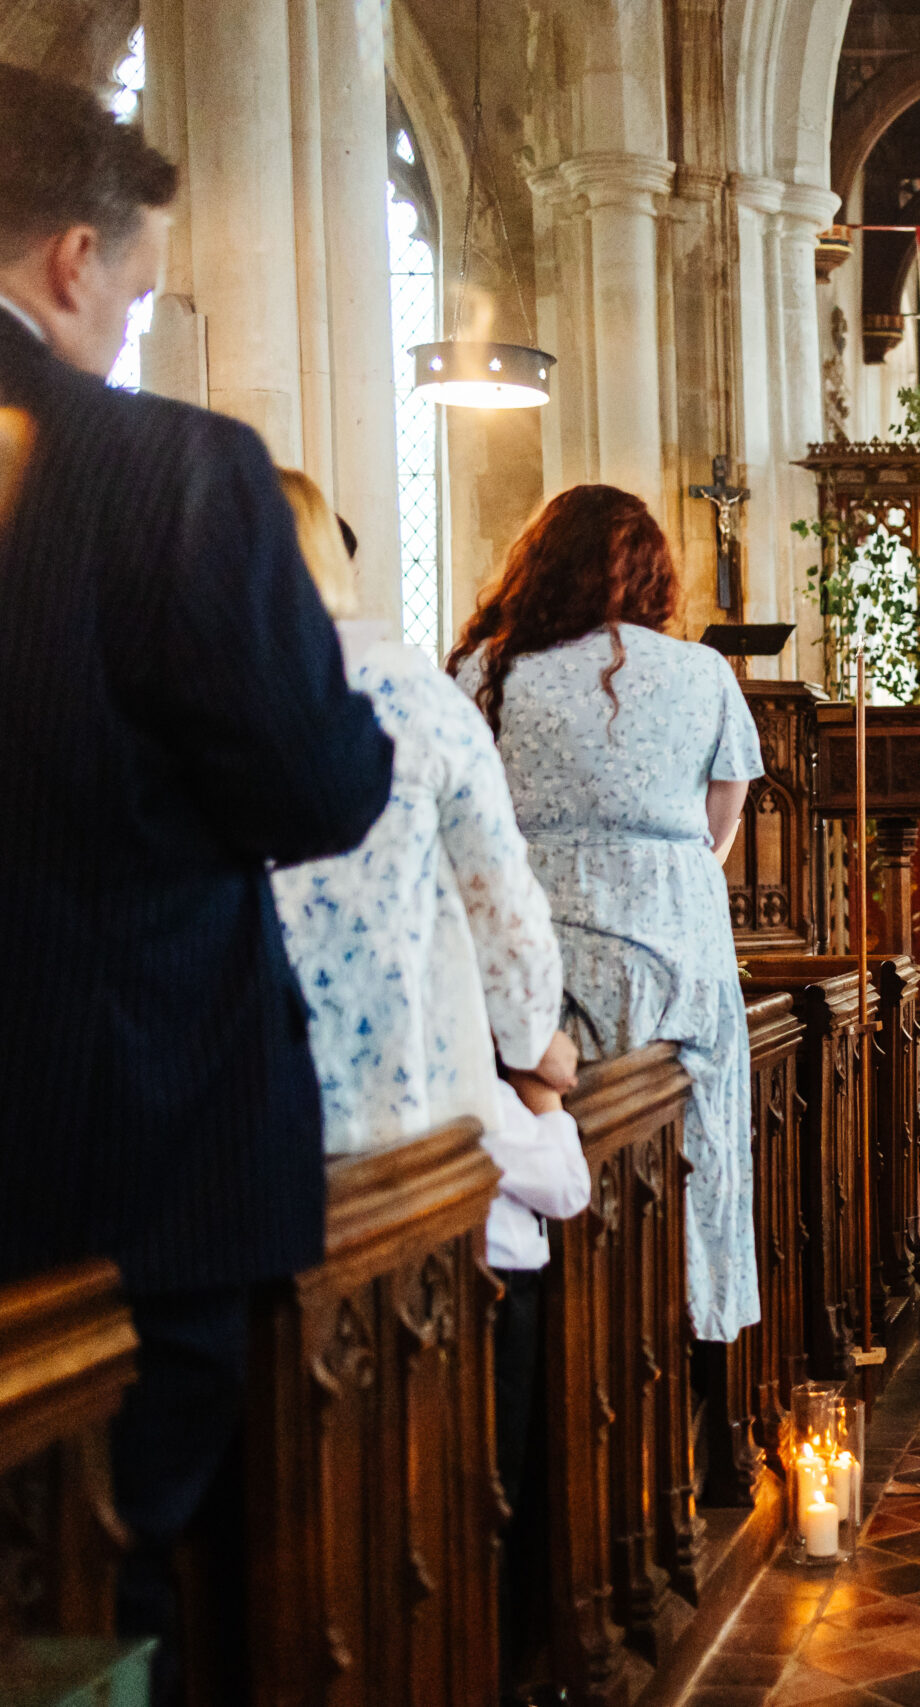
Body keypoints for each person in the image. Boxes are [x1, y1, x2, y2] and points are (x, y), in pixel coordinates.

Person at [0, 66, 395, 1703]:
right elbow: (317, 786)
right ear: (72, 260)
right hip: (119, 1147)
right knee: (98, 1587)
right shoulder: (170, 475)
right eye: (139, 300)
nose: (125, 337)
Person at [264, 471, 587, 1675]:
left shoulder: (171, 681)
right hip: (411, 1139)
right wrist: (537, 1059)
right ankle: (480, 1665)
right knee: (442, 1469)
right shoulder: (411, 691)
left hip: (248, 1145)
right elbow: (507, 921)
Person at [450, 485, 766, 1342]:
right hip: (677, 949)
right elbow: (723, 813)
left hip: (534, 947)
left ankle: (546, 1335)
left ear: (539, 564)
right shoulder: (702, 672)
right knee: (702, 1138)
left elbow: (465, 820)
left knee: (541, 1124)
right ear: (654, 572)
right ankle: (700, 1326)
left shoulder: (487, 670)